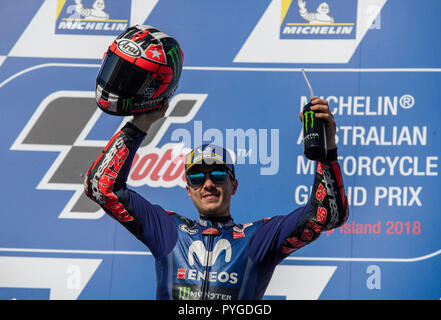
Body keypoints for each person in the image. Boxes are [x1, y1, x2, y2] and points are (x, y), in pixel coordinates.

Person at [85, 25, 349, 300]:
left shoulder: (258, 239)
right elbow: (102, 188)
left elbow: (326, 215)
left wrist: (327, 149)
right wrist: (141, 122)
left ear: (234, 185)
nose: (208, 183)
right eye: (197, 177)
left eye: (218, 175)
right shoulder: (166, 231)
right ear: (188, 188)